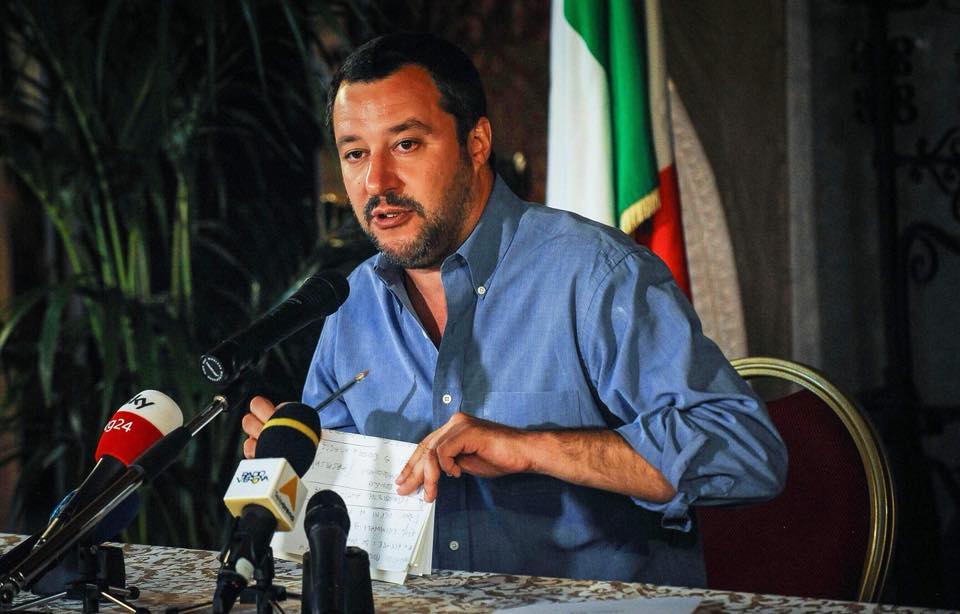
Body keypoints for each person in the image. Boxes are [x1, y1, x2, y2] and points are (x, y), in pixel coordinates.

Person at [242, 32, 787, 587]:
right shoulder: (350, 305)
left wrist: (532, 449)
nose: (376, 181)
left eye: (405, 144)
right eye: (355, 153)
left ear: (477, 142)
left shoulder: (595, 274)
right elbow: (338, 522)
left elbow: (747, 454)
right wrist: (300, 463)